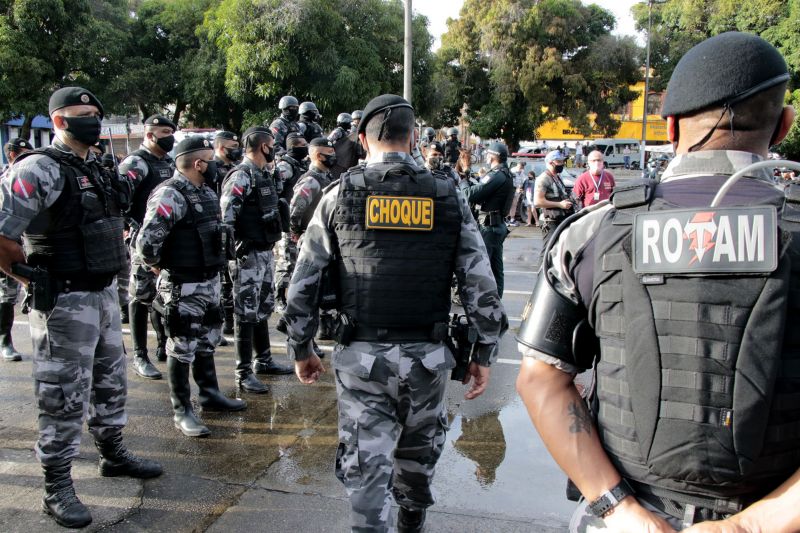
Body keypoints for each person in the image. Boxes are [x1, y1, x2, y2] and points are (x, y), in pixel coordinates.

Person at [515, 32, 800, 532]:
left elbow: (541, 380)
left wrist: (622, 512)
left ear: (669, 127)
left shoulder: (593, 232)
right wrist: (752, 525)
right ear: (783, 126)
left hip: (629, 515)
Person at [284, 94, 507, 533]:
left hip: (362, 358)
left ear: (364, 140)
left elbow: (303, 283)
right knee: (419, 458)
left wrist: (301, 347)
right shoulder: (448, 196)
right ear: (415, 137)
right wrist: (484, 354)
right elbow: (481, 284)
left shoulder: (337, 196)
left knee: (368, 472)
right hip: (428, 357)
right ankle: (411, 521)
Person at [0, 87, 162, 528]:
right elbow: (1, 233)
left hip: (104, 293)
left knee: (111, 382)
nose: (92, 120)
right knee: (62, 396)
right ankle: (56, 486)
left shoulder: (98, 165)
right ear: (58, 121)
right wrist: (26, 277)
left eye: (95, 113)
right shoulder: (36, 170)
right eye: (81, 114)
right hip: (65, 301)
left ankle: (112, 453)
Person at [138, 136, 246, 438]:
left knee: (207, 340)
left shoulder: (205, 192)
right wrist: (160, 266)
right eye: (210, 160)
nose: (215, 165)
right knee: (182, 345)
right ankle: (182, 410)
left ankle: (209, 393)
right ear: (198, 164)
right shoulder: (170, 195)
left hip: (209, 280)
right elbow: (146, 243)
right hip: (183, 285)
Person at [219, 127, 293, 394]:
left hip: (264, 251)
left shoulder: (263, 174)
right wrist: (230, 255)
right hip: (246, 254)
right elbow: (226, 217)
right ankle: (243, 372)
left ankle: (264, 360)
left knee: (262, 308)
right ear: (264, 147)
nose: (274, 148)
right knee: (245, 312)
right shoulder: (242, 175)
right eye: (272, 144)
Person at [119, 114, 177, 380]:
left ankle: (162, 345)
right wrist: (129, 225)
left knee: (162, 296)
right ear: (150, 134)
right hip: (144, 240)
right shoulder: (136, 162)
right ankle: (140, 355)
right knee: (141, 295)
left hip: (168, 240)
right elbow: (118, 198)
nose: (169, 137)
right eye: (164, 132)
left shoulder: (167, 161)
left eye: (171, 132)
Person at [288, 137, 337, 341]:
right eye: (329, 153)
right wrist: (298, 234)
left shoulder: (326, 177)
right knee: (309, 291)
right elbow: (295, 210)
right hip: (311, 242)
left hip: (323, 241)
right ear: (317, 155)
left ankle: (325, 328)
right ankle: (302, 336)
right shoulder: (311, 180)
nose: (333, 157)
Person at [463, 142, 515, 296]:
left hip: (489, 228)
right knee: (496, 269)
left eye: (488, 154)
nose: (486, 156)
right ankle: (497, 302)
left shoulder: (496, 175)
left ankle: (486, 306)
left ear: (493, 156)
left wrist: (464, 176)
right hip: (496, 226)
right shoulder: (504, 173)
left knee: (483, 268)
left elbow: (469, 194)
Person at [0, 138, 31, 362]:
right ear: (11, 154)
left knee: (13, 294)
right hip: (6, 244)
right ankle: (5, 340)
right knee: (7, 293)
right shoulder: (5, 179)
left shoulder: (30, 177)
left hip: (27, 243)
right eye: (23, 151)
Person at [211, 131, 242, 342]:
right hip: (215, 229)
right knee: (220, 281)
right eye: (232, 146)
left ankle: (229, 322)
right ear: (221, 148)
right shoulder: (209, 168)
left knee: (229, 280)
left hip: (233, 232)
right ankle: (221, 324)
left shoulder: (234, 170)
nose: (236, 149)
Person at [274, 133, 309, 312]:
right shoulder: (285, 165)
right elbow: (276, 189)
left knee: (297, 262)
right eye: (302, 144)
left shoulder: (302, 164)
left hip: (301, 221)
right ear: (293, 146)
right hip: (287, 221)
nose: (306, 146)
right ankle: (279, 297)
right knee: (286, 262)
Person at [534, 149, 573, 246]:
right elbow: (538, 202)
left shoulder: (557, 177)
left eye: (562, 161)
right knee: (548, 250)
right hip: (550, 222)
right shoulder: (543, 178)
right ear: (551, 163)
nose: (562, 164)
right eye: (559, 161)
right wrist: (559, 204)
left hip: (559, 219)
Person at [328, 112, 358, 180]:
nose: (350, 124)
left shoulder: (346, 132)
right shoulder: (338, 131)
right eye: (349, 122)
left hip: (344, 157)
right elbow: (328, 141)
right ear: (344, 122)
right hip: (338, 157)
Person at [506, 162, 527, 226]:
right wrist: (516, 188)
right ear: (517, 165)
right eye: (521, 166)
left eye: (523, 167)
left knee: (514, 205)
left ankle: (512, 219)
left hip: (517, 192)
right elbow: (509, 182)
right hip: (511, 191)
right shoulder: (512, 171)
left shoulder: (522, 171)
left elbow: (524, 179)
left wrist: (522, 188)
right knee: (508, 205)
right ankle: (506, 219)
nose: (522, 168)